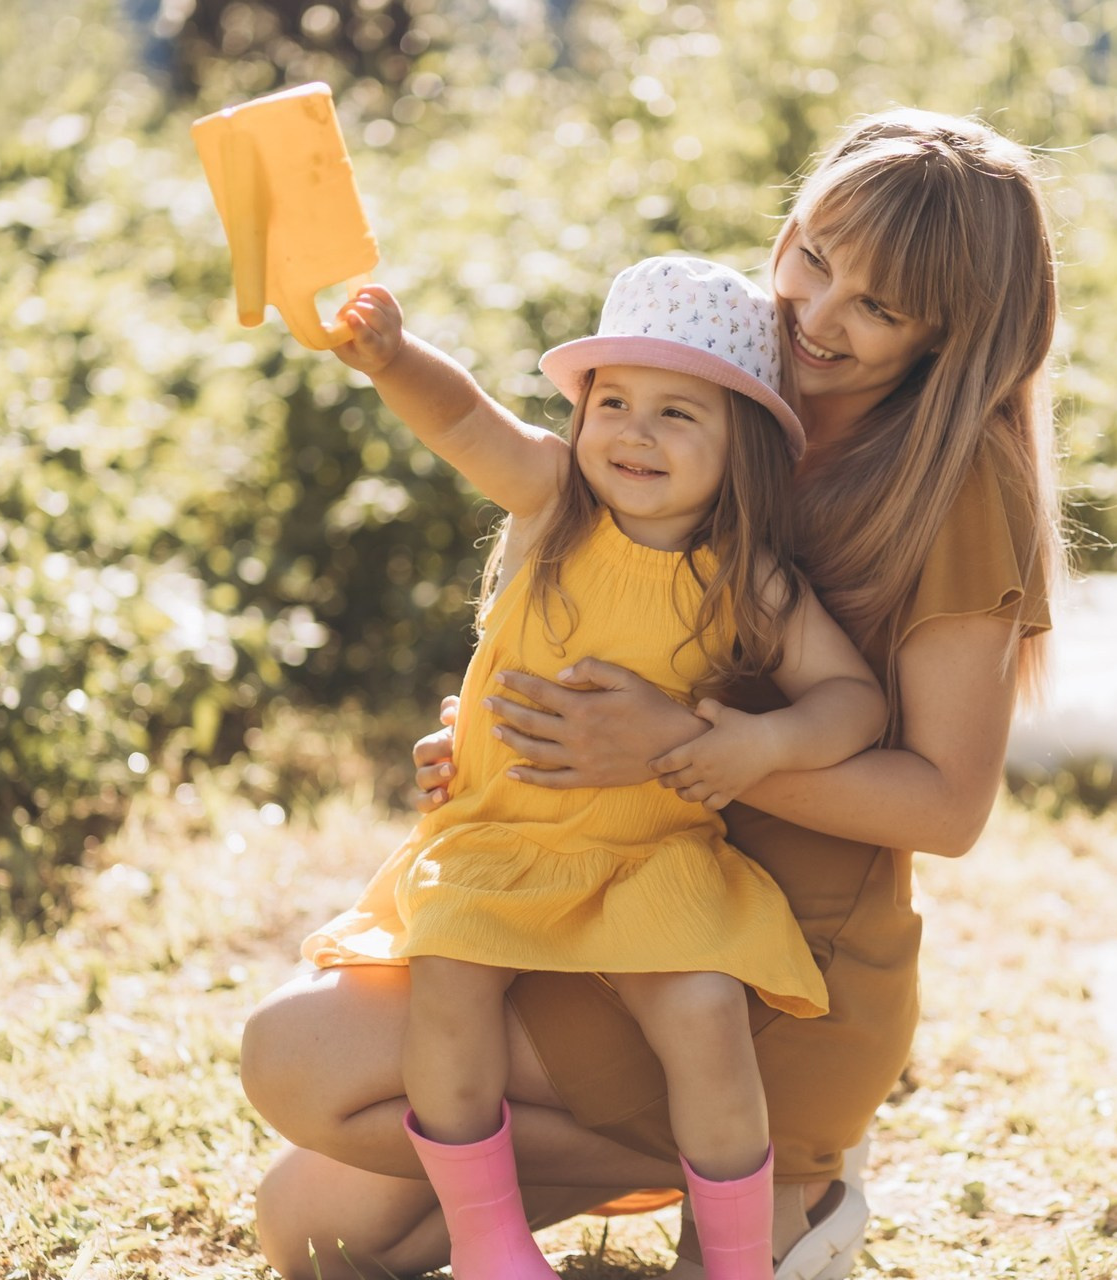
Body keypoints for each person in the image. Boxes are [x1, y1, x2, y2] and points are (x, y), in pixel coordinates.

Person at [239, 107, 1062, 1280]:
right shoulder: (713, 372)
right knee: (308, 1231)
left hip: (764, 953)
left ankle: (774, 1164)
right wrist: (501, 737)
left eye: (876, 309)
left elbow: (945, 807)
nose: (815, 316)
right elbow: (570, 555)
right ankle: (734, 1170)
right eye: (813, 260)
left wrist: (672, 747)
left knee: (299, 1054)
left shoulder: (957, 484)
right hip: (596, 874)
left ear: (948, 336)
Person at [295, 254, 887, 1280]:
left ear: (739, 443)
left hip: (646, 847)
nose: (631, 432)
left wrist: (758, 741)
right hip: (500, 838)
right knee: (449, 981)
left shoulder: (741, 574)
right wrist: (392, 359)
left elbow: (853, 699)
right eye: (610, 401)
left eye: (675, 413)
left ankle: (739, 1256)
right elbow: (466, 421)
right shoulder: (555, 503)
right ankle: (488, 1243)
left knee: (701, 1007)